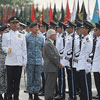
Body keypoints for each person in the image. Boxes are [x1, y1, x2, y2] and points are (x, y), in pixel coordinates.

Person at [2, 16, 27, 100]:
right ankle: (9, 97)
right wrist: (8, 50)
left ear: (18, 24)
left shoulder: (22, 35)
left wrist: (25, 61)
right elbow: (3, 47)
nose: (15, 25)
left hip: (19, 62)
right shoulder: (6, 35)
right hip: (10, 61)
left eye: (16, 23)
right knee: (9, 82)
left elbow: (24, 49)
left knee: (17, 82)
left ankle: (16, 97)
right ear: (10, 24)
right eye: (13, 23)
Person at [26, 21, 44, 100]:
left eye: (37, 27)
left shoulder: (41, 37)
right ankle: (30, 94)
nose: (37, 28)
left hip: (39, 61)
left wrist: (44, 59)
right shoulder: (27, 37)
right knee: (30, 78)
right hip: (30, 61)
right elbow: (24, 49)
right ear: (31, 28)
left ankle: (36, 95)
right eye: (35, 27)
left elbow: (42, 48)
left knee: (37, 78)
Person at [43, 29, 62, 100]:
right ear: (51, 35)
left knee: (51, 84)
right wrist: (58, 63)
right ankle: (48, 98)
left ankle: (50, 97)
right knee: (49, 84)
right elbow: (52, 56)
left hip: (52, 67)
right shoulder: (48, 43)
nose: (56, 35)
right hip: (51, 67)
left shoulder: (50, 43)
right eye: (54, 34)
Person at [0, 25, 8, 100]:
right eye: (5, 31)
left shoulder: (9, 40)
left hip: (9, 61)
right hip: (1, 62)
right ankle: (0, 93)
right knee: (1, 78)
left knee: (8, 78)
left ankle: (7, 94)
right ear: (1, 32)